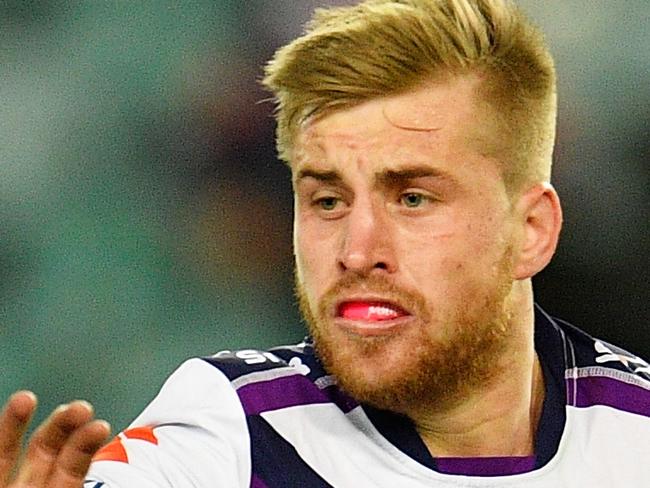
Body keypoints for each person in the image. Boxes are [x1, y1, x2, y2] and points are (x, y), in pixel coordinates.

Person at [2, 0, 648, 486]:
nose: (356, 249)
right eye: (328, 200)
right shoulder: (232, 428)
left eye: (413, 197)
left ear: (531, 230)